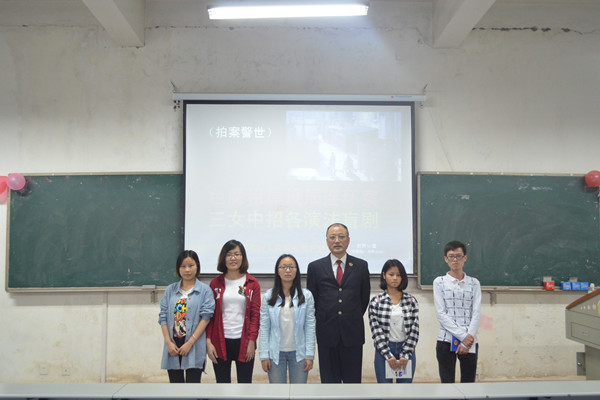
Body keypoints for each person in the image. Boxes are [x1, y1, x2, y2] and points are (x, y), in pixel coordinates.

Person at [306, 223, 370, 383]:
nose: (337, 241)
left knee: (352, 383)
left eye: (341, 237)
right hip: (327, 334)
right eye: (332, 237)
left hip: (352, 333)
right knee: (329, 384)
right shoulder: (315, 267)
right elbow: (313, 301)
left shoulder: (361, 266)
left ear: (348, 240)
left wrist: (349, 316)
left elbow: (363, 298)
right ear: (327, 241)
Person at [206, 239, 261, 383]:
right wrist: (208, 341)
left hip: (244, 341)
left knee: (245, 385)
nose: (233, 258)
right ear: (223, 258)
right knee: (222, 385)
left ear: (243, 257)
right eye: (229, 254)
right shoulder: (215, 284)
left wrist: (252, 341)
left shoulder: (252, 283)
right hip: (220, 341)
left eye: (237, 254)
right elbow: (210, 316)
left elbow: (255, 315)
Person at [158, 250, 215, 383]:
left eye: (191, 265)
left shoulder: (205, 291)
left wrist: (189, 343)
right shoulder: (170, 290)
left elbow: (206, 318)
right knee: (175, 387)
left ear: (197, 267)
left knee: (193, 388)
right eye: (183, 266)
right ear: (178, 268)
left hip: (194, 344)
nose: (187, 270)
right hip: (173, 344)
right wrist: (168, 343)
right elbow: (163, 317)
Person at [259, 254, 316, 383]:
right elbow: (264, 328)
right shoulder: (268, 296)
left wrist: (309, 354)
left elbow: (310, 327)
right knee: (278, 392)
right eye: (283, 267)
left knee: (299, 391)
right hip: (275, 354)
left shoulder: (306, 296)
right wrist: (264, 355)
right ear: (277, 271)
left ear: (297, 270)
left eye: (291, 267)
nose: (288, 270)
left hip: (299, 353)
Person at [433, 240, 482, 383]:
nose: (455, 260)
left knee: (468, 384)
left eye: (459, 256)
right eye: (451, 256)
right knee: (447, 384)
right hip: (446, 339)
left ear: (465, 258)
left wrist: (467, 340)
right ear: (446, 259)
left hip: (470, 340)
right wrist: (463, 336)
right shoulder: (439, 282)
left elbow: (476, 313)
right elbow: (441, 313)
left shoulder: (474, 283)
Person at [369, 259, 419, 384]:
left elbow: (414, 330)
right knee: (385, 390)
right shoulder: (376, 301)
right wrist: (388, 355)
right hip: (383, 351)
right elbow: (376, 331)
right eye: (391, 274)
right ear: (384, 275)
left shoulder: (411, 301)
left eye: (399, 275)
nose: (395, 278)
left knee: (405, 391)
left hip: (406, 350)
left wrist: (406, 354)